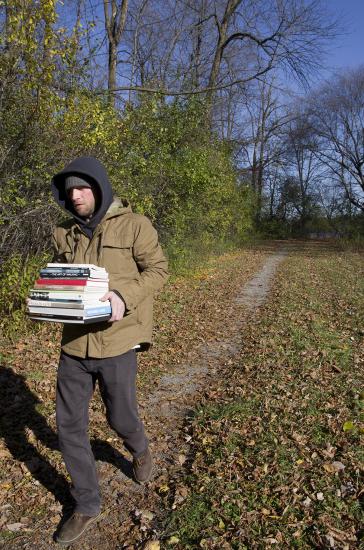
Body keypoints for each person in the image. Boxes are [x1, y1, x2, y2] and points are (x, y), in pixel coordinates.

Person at [50, 156, 168, 545]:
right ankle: (86, 504)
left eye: (82, 188)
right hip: (74, 345)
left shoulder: (136, 225)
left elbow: (158, 271)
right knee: (68, 426)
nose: (76, 195)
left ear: (100, 189)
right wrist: (48, 300)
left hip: (118, 342)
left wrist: (123, 295)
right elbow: (63, 283)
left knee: (120, 416)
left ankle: (140, 449)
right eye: (70, 191)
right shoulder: (63, 234)